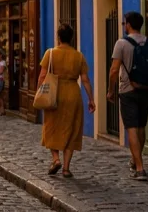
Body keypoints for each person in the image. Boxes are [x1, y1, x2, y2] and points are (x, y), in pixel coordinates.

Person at [109, 11, 148, 181]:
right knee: (141, 127)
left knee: (132, 128)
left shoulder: (122, 44)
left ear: (128, 24)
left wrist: (111, 90)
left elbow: (114, 70)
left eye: (124, 23)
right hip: (147, 90)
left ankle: (139, 168)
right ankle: (136, 160)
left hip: (128, 91)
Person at [38, 23, 95, 179]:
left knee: (51, 127)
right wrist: (91, 99)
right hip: (73, 94)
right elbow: (85, 80)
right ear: (71, 38)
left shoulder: (50, 54)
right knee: (72, 129)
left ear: (58, 37)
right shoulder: (79, 56)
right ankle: (66, 168)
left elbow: (42, 76)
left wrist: (39, 93)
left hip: (54, 94)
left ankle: (56, 159)